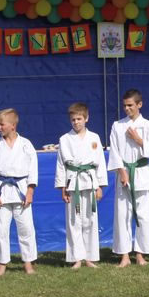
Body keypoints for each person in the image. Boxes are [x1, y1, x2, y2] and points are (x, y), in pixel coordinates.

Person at [108, 89, 149, 267]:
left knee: (144, 215)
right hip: (124, 172)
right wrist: (121, 171)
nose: (127, 108)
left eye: (130, 105)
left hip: (142, 172)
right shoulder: (117, 125)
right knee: (123, 214)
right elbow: (114, 150)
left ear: (140, 104)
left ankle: (140, 254)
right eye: (125, 105)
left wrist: (139, 140)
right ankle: (124, 255)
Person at [0, 108, 38, 275]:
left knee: (26, 228)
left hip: (21, 190)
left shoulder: (26, 144)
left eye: (2, 124)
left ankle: (28, 262)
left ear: (13, 125)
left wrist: (30, 192)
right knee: (1, 229)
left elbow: (33, 170)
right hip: (2, 191)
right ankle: (2, 263)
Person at [55, 102, 107, 269]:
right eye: (73, 120)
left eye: (79, 119)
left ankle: (90, 257)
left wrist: (100, 186)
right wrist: (62, 188)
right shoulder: (64, 139)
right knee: (74, 221)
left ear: (86, 118)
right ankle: (76, 258)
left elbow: (100, 163)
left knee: (90, 220)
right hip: (73, 182)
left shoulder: (94, 137)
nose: (76, 122)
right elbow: (61, 165)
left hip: (90, 181)